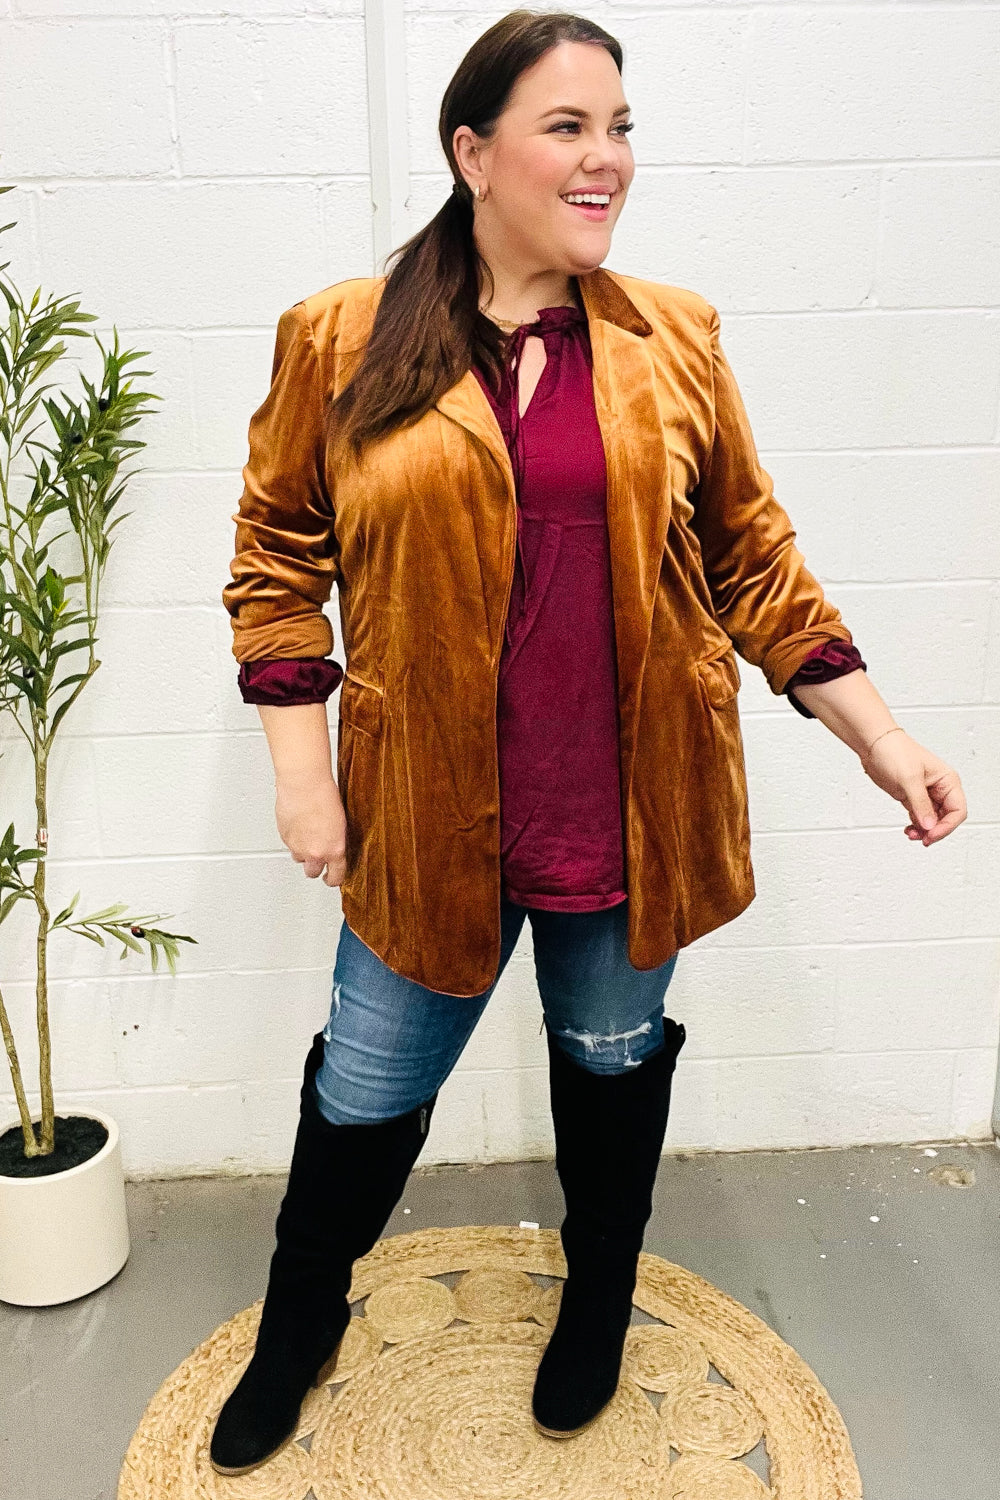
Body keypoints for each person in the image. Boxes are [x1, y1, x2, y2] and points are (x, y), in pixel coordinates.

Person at [212, 8, 968, 1478]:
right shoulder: (342, 337)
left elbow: (751, 559)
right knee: (364, 1088)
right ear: (472, 152)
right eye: (566, 127)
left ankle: (599, 1301)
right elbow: (275, 558)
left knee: (611, 1067)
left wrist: (877, 734)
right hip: (424, 813)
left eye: (620, 128)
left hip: (630, 811)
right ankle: (298, 1324)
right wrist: (304, 778)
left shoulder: (671, 337)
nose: (604, 157)